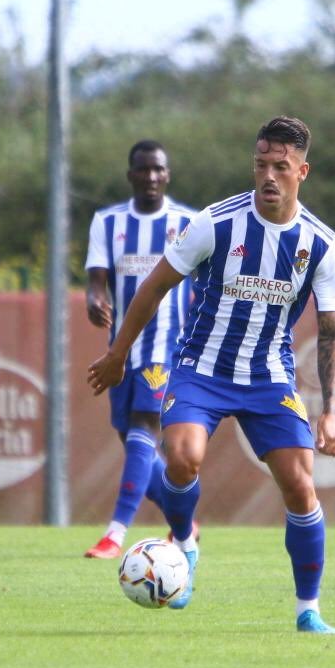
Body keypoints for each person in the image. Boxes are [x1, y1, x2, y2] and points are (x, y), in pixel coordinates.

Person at [87, 116, 335, 634]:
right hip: (200, 368)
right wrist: (118, 354)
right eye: (260, 165)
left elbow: (332, 331)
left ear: (303, 171)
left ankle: (308, 610)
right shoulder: (215, 222)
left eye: (280, 166)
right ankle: (185, 540)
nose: (268, 176)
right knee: (182, 460)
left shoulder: (320, 243)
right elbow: (153, 287)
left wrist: (332, 412)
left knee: (300, 486)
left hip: (270, 377)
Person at [83, 140, 199, 559]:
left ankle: (115, 533)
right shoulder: (107, 222)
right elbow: (97, 281)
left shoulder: (187, 221)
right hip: (122, 350)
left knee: (144, 427)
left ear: (167, 175)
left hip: (168, 346)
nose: (151, 176)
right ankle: (183, 519)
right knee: (133, 439)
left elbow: (205, 280)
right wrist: (94, 300)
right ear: (131, 174)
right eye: (143, 169)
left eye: (159, 169)